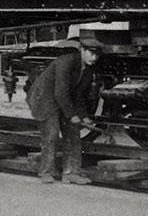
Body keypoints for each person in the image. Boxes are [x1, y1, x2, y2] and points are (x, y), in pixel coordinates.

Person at [25, 39, 101, 184]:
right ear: (82, 50)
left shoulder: (88, 69)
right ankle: (46, 172)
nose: (94, 58)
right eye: (91, 53)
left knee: (74, 134)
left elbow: (78, 95)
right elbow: (61, 93)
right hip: (45, 99)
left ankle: (72, 173)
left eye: (97, 55)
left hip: (63, 101)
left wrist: (84, 117)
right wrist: (72, 115)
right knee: (51, 135)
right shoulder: (65, 62)